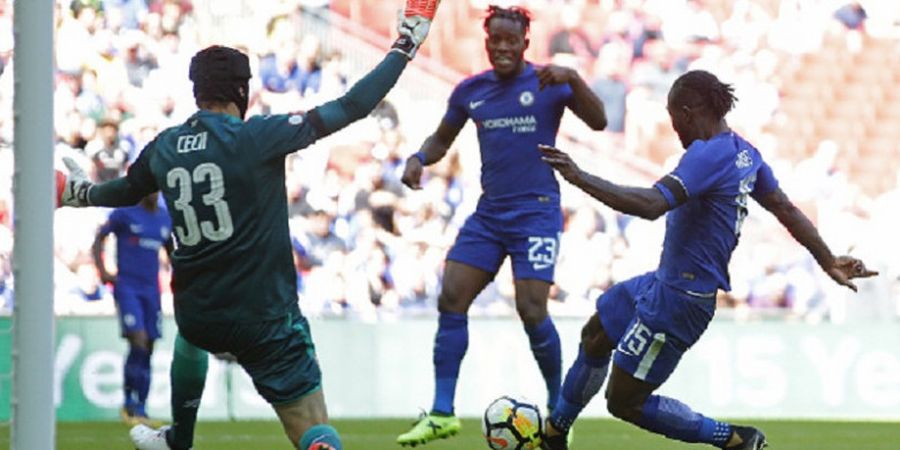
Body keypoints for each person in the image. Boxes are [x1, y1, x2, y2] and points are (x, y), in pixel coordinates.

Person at [57, 2, 440, 449]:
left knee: (189, 341)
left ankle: (179, 439)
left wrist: (77, 193)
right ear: (242, 90)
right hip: (263, 317)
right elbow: (354, 105)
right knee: (314, 430)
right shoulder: (257, 136)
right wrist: (405, 43)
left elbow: (123, 190)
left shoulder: (165, 146)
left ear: (196, 91)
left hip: (200, 313)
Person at [536, 69, 878, 450]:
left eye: (673, 121)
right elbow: (784, 207)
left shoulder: (706, 156)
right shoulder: (744, 152)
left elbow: (651, 205)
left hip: (678, 301)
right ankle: (555, 434)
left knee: (624, 402)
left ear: (686, 112)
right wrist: (827, 258)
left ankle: (733, 439)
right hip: (664, 283)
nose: (676, 132)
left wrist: (578, 176)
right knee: (597, 333)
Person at [396, 4, 607, 447]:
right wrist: (418, 158)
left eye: (512, 41)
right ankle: (441, 413)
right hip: (491, 214)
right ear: (487, 42)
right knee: (451, 294)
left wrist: (572, 77)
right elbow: (441, 139)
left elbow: (600, 120)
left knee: (532, 310)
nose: (504, 48)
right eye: (497, 41)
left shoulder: (549, 83)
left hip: (537, 210)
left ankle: (558, 412)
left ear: (525, 43)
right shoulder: (471, 91)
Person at [92, 192, 173, 426]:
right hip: (127, 287)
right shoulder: (124, 214)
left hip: (152, 291)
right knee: (138, 340)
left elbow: (171, 250)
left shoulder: (164, 218)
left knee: (150, 345)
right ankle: (129, 404)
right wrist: (104, 272)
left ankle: (142, 408)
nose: (153, 193)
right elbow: (99, 238)